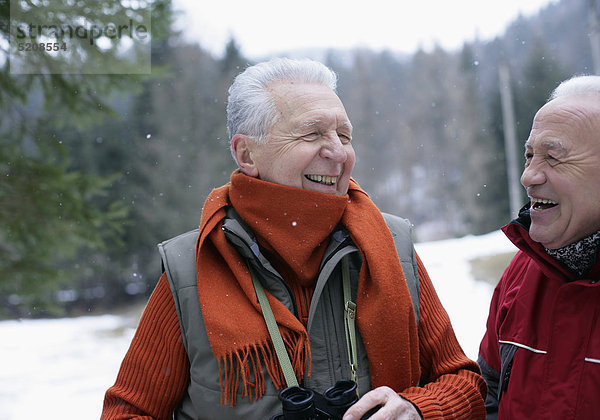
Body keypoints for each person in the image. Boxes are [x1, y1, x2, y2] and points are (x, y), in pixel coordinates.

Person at [102, 57, 486, 419]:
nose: (338, 153)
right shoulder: (193, 266)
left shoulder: (390, 246)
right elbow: (127, 411)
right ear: (247, 154)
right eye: (312, 133)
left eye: (344, 135)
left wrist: (418, 409)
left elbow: (465, 383)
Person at [478, 75, 600, 419]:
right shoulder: (522, 271)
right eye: (530, 155)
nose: (529, 176)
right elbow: (487, 396)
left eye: (554, 157)